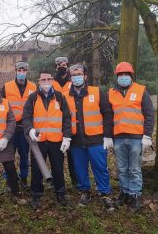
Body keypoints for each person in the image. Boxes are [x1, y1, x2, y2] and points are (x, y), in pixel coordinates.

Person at [64, 64, 115, 212]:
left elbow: (107, 114)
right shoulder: (65, 96)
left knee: (100, 168)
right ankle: (85, 192)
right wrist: (66, 137)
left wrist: (107, 135)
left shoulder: (97, 92)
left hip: (96, 140)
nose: (76, 77)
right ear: (70, 78)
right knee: (80, 169)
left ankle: (105, 194)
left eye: (79, 74)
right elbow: (64, 118)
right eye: (73, 75)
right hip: (76, 141)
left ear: (85, 76)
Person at [108, 62, 155, 213]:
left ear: (131, 76)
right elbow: (108, 117)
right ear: (117, 76)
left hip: (136, 137)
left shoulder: (141, 91)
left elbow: (149, 114)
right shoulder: (111, 93)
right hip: (118, 138)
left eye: (126, 74)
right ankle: (125, 192)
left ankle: (135, 195)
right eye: (120, 75)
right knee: (122, 168)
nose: (123, 77)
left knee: (134, 168)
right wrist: (108, 136)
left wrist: (147, 135)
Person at [22, 69, 72, 209]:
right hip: (38, 141)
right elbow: (26, 117)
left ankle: (60, 192)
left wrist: (67, 137)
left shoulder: (60, 97)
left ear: (52, 80)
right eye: (43, 80)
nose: (45, 82)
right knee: (37, 169)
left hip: (56, 140)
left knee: (58, 168)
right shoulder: (33, 98)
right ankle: (36, 193)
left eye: (48, 79)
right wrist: (30, 129)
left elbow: (67, 118)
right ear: (38, 81)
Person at [0, 61, 37, 190]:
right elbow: (0, 104)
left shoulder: (33, 87)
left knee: (24, 155)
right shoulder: (7, 87)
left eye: (24, 71)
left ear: (27, 72)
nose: (21, 73)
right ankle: (9, 179)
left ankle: (24, 177)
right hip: (10, 127)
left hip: (25, 127)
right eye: (19, 70)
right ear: (15, 71)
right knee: (9, 155)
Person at [52, 56, 77, 188]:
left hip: (71, 125)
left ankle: (75, 180)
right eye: (59, 64)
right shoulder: (51, 82)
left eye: (65, 64)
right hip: (54, 126)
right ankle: (58, 181)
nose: (62, 66)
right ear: (56, 67)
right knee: (57, 158)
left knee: (73, 157)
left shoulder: (73, 81)